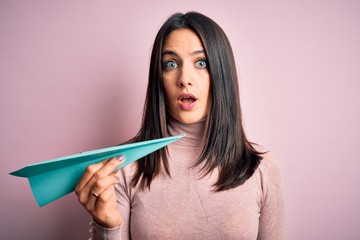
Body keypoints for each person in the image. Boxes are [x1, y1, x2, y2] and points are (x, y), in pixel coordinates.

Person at [75, 11, 286, 240]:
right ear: (159, 78)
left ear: (221, 74)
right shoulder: (124, 169)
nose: (184, 78)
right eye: (171, 64)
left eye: (201, 62)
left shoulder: (262, 167)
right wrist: (106, 226)